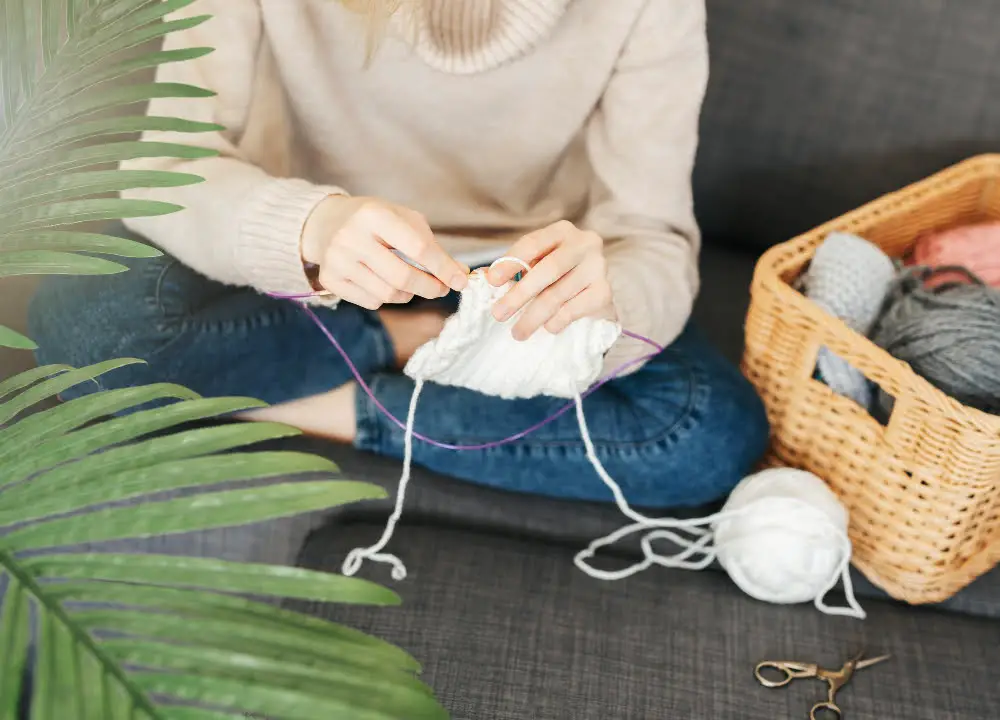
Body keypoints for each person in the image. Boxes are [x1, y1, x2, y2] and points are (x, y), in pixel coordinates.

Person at [29, 0, 769, 568]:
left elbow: (653, 236)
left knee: (711, 438)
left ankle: (300, 393)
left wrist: (607, 296)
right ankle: (393, 341)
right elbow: (168, 163)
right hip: (293, 258)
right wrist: (309, 228)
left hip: (505, 294)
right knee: (80, 327)